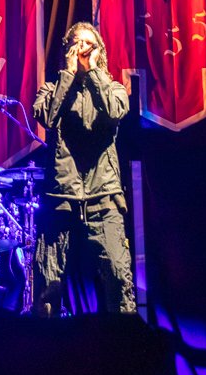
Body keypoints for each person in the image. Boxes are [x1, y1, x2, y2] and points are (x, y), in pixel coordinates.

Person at [30, 21, 136, 316]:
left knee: (118, 276)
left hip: (103, 195)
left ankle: (122, 338)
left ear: (99, 51)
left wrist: (92, 72)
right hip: (60, 197)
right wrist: (68, 74)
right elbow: (48, 118)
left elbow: (114, 111)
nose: (82, 49)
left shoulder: (114, 89)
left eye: (89, 44)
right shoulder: (51, 90)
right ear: (67, 49)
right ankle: (46, 339)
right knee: (48, 282)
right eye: (76, 43)